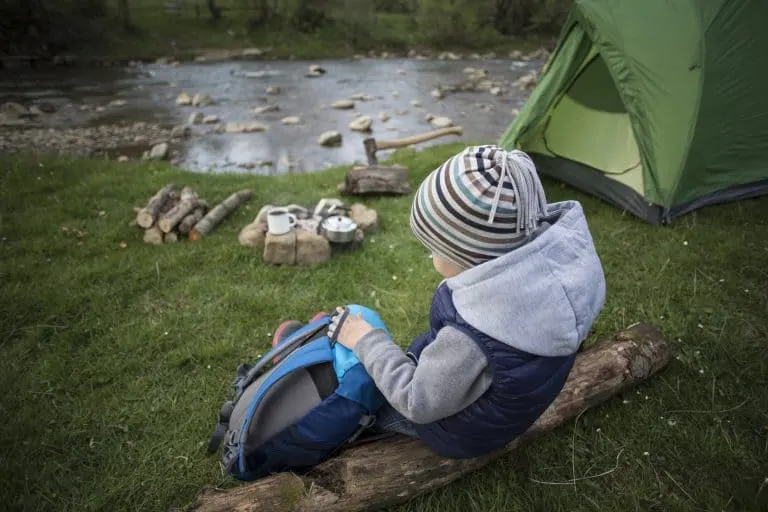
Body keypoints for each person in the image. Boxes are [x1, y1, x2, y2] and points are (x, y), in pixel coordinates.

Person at [326, 145, 607, 459]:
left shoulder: (474, 334)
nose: (431, 256)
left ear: (472, 258)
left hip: (462, 431)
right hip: (518, 399)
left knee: (369, 401)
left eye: (436, 249)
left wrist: (367, 340)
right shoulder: (557, 266)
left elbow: (416, 400)